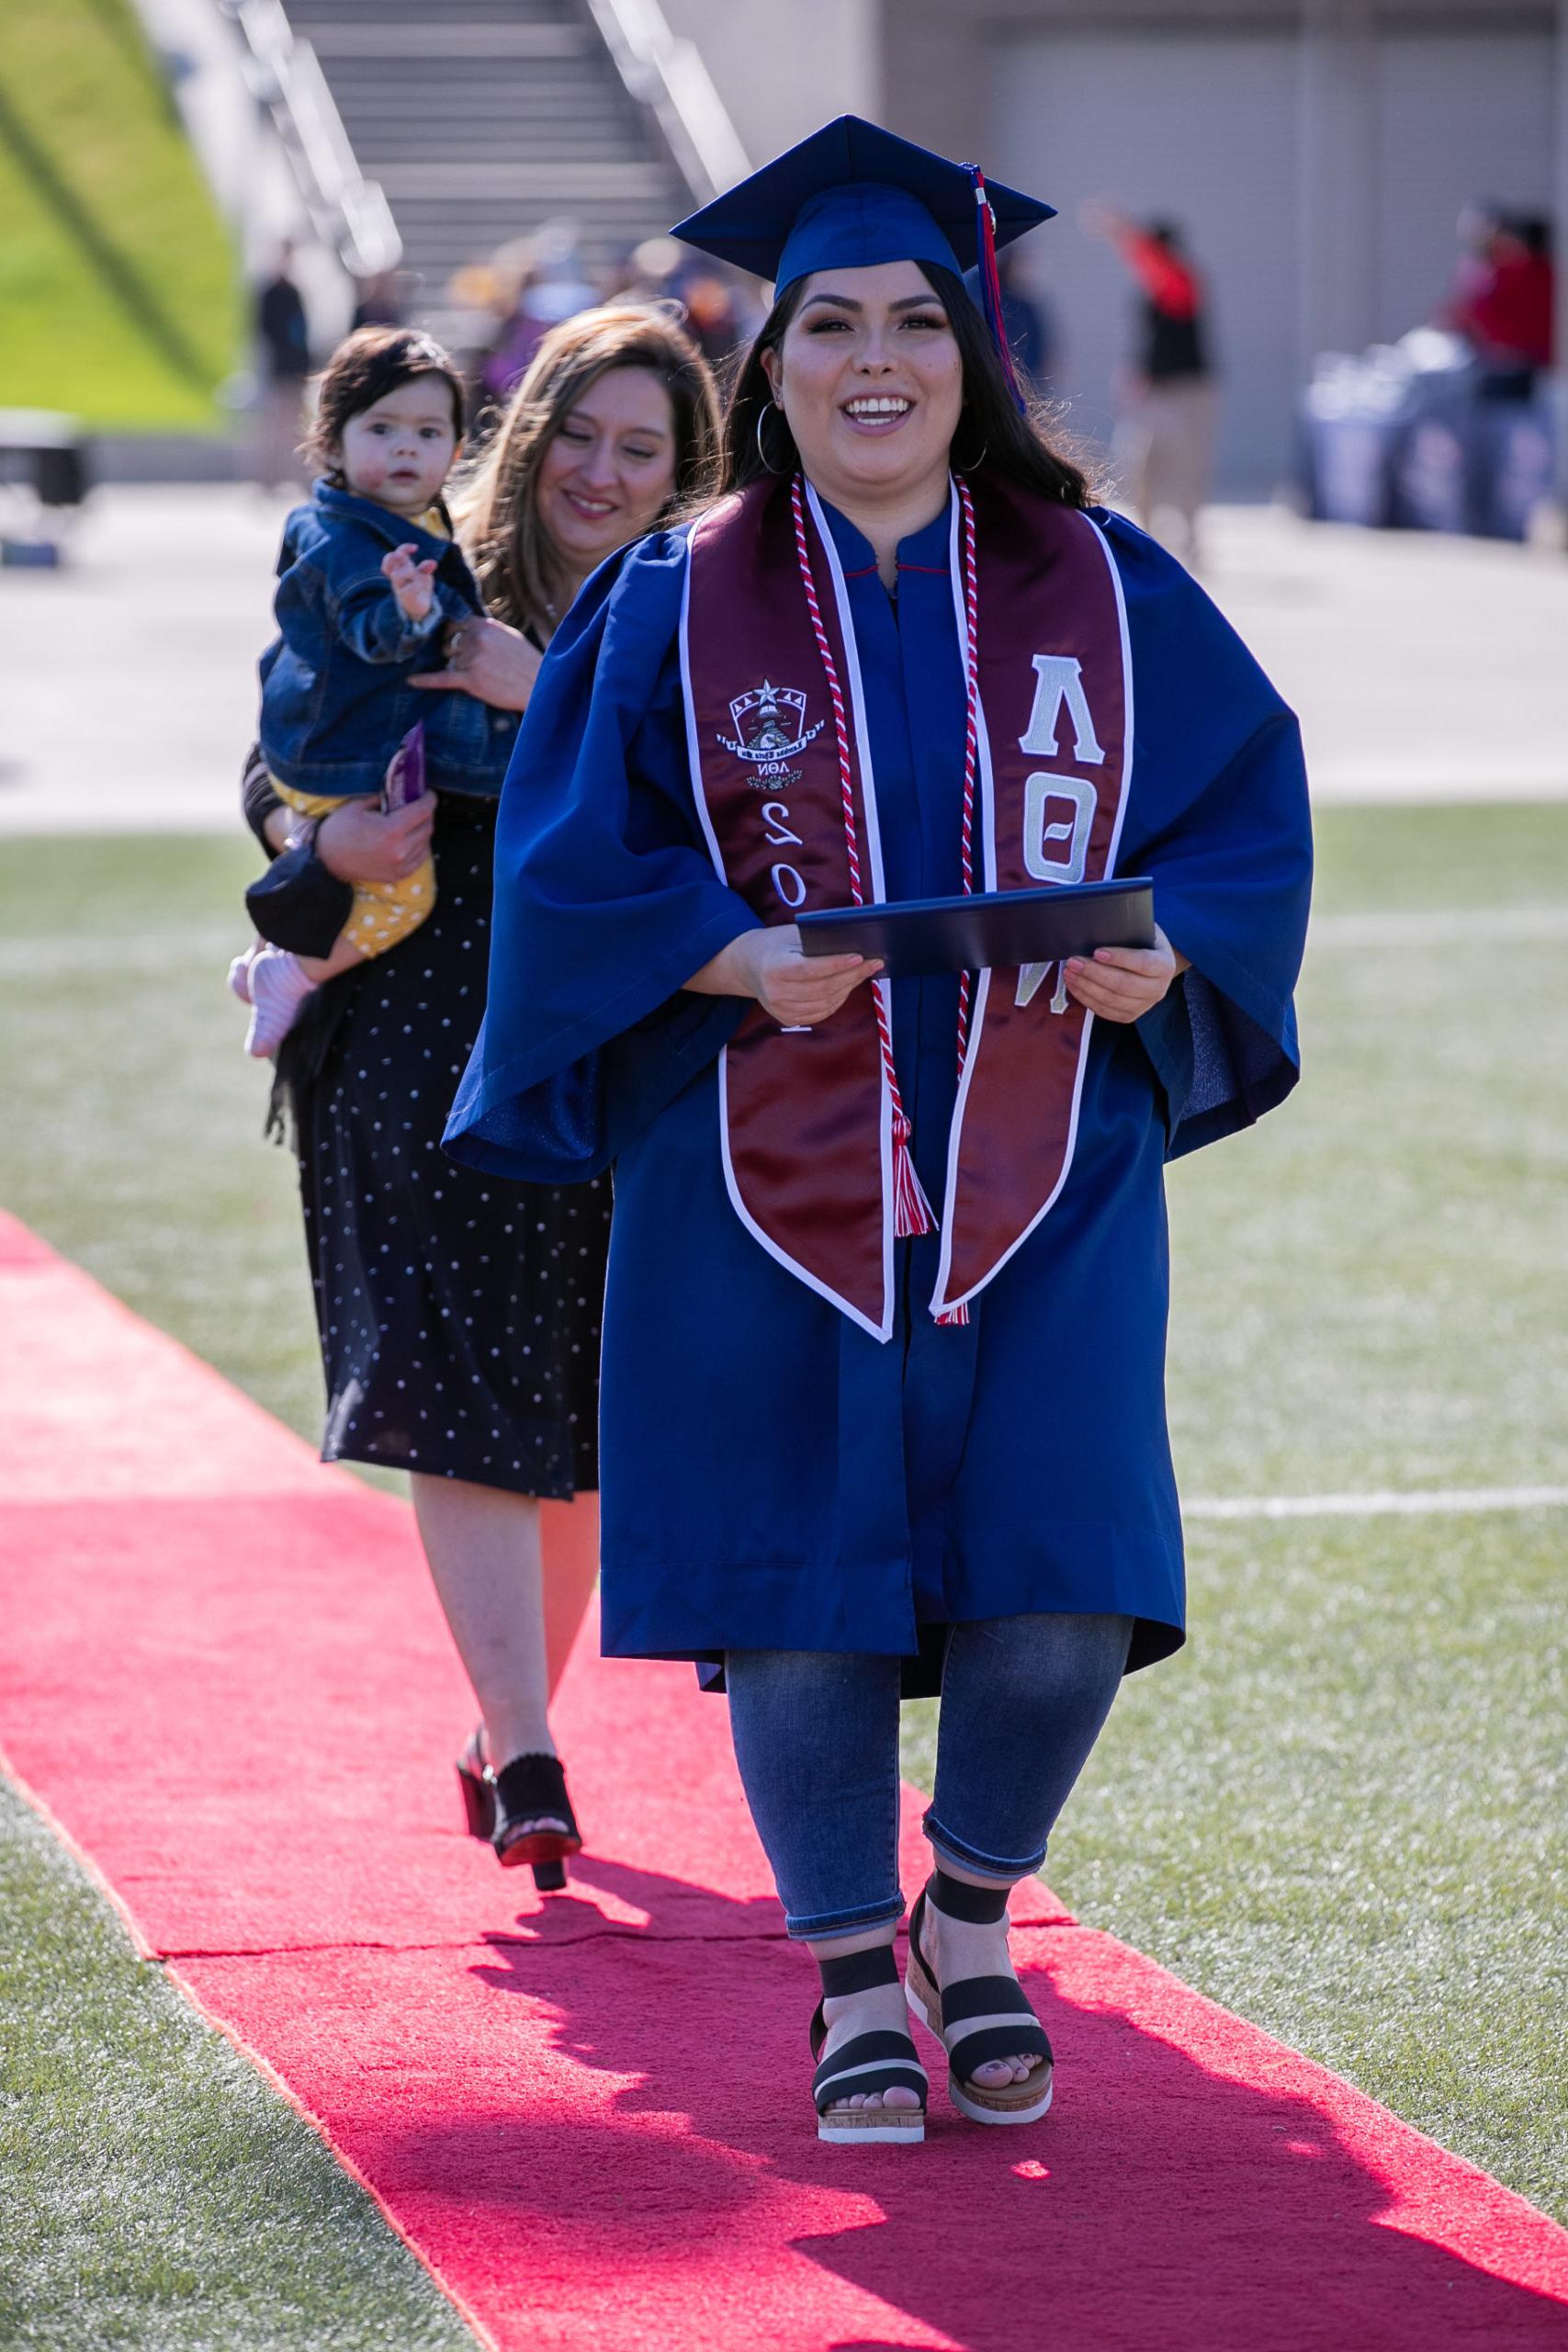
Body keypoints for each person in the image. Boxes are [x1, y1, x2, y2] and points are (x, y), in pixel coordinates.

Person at [446, 116, 1311, 2139]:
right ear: (772, 363)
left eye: (912, 320)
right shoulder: (672, 596)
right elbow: (571, 871)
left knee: (1064, 1579)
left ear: (970, 353)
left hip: (1042, 1156)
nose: (870, 357)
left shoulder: (1102, 583)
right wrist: (729, 958)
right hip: (758, 1165)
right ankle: (850, 1970)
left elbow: (1234, 820)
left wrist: (1161, 952)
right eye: (825, 320)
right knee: (796, 1581)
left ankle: (971, 1911)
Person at [242, 306, 721, 1888]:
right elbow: (279, 764)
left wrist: (547, 695)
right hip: (416, 1026)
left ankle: (497, 1728)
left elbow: (729, 827)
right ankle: (524, 1745)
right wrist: (315, 864)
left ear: (679, 473)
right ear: (522, 438)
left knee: (592, 1423)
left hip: (622, 1052)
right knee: (456, 1379)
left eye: (637, 448)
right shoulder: (425, 572)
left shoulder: (712, 613)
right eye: (575, 434)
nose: (599, 469)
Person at [233, 327, 479, 1057]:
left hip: (328, 746)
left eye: (428, 432)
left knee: (365, 874)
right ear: (330, 445)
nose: (406, 448)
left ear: (456, 453)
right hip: (334, 759)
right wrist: (409, 614)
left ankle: (270, 949)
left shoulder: (398, 522)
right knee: (406, 897)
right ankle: (290, 970)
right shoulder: (349, 541)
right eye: (382, 429)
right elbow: (370, 629)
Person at [1081, 202, 1216, 565]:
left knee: (1187, 472)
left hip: (1186, 392)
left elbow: (1161, 272)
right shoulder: (1154, 290)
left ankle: (1191, 545)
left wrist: (1122, 230)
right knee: (1138, 467)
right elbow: (1153, 341)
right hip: (1154, 393)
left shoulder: (1183, 280)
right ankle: (1148, 542)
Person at [254, 240, 312, 493]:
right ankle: (269, 478)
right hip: (279, 368)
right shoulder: (269, 292)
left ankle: (298, 477)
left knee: (297, 424)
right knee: (275, 425)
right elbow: (265, 331)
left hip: (296, 367)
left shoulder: (295, 291)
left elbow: (302, 331)